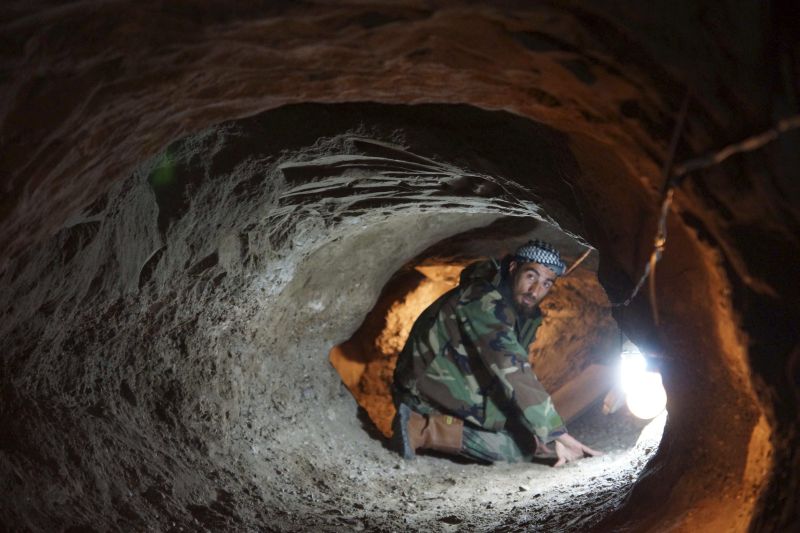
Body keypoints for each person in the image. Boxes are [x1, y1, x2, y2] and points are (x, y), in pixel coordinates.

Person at [391, 239, 601, 466]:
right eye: (531, 276)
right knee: (517, 449)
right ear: (513, 269)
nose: (535, 290)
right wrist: (557, 433)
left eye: (546, 284)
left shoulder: (522, 312)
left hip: (454, 381)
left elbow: (510, 376)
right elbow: (511, 368)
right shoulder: (482, 301)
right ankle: (421, 427)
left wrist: (534, 428)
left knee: (522, 433)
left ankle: (441, 426)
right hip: (422, 391)